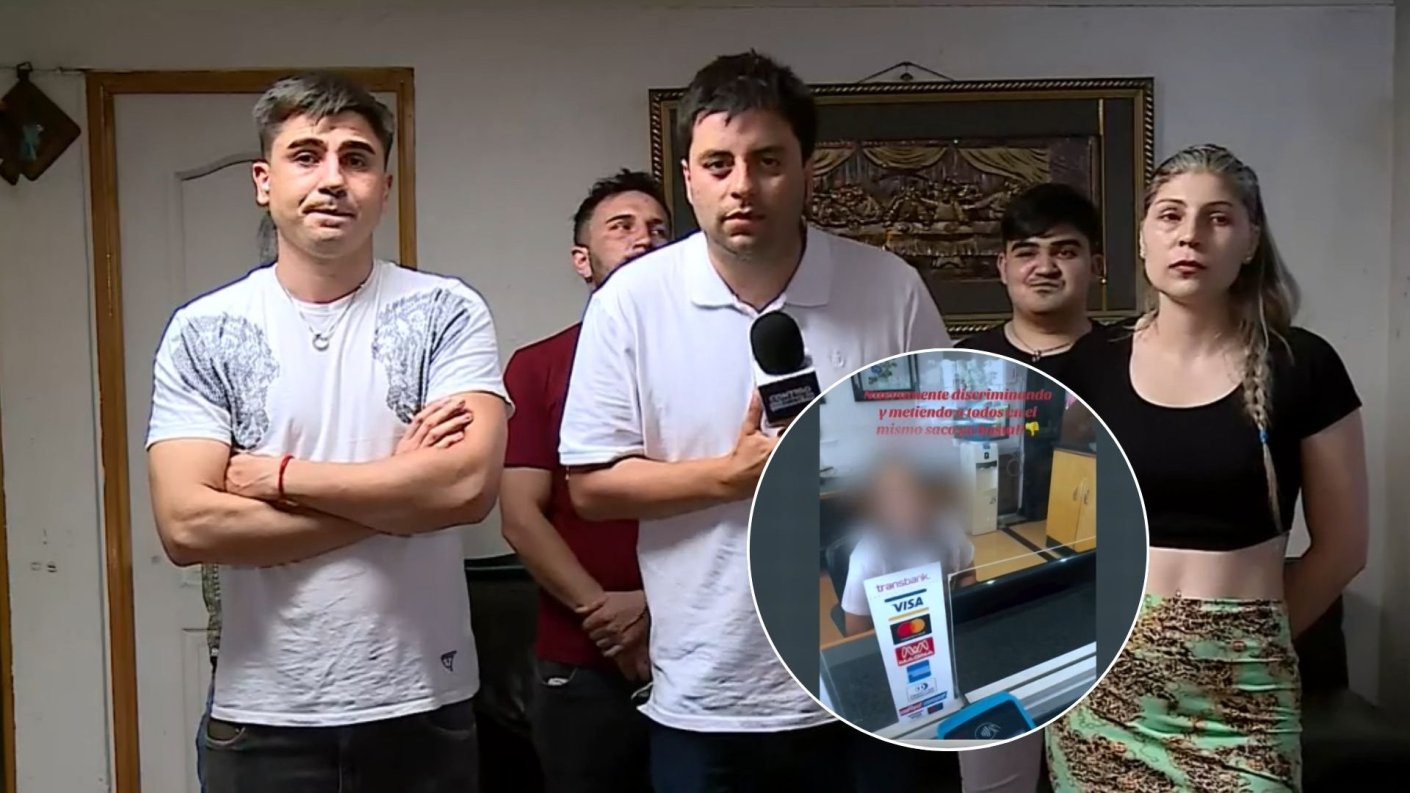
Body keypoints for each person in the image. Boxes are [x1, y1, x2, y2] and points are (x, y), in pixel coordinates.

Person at [557, 50, 954, 793]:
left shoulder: (890, 288)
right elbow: (591, 487)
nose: (742, 185)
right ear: (688, 178)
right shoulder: (631, 303)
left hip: (882, 685)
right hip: (712, 694)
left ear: (808, 170)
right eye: (718, 164)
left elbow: (954, 456)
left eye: (768, 160)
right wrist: (728, 477)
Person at [145, 71, 510, 793]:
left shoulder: (447, 313)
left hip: (422, 709)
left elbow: (468, 488)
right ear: (264, 181)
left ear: (385, 186)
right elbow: (186, 526)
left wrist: (282, 479)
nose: (333, 178)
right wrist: (400, 497)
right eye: (306, 156)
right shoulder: (204, 330)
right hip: (262, 719)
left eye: (357, 158)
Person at [1046, 144, 1368, 791]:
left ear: (1250, 240)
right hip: (1103, 696)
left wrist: (1244, 638)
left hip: (1245, 699)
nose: (1190, 234)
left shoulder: (1304, 365)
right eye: (1170, 215)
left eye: (1218, 218)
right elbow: (1061, 539)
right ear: (1143, 237)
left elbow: (1343, 550)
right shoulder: (1086, 367)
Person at [500, 168, 671, 793]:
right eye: (621, 227)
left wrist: (652, 608)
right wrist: (606, 615)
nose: (643, 239)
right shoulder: (538, 366)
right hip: (579, 659)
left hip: (699, 645)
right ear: (582, 259)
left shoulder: (716, 359)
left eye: (658, 230)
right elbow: (520, 515)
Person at [957, 181, 1115, 382]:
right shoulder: (964, 363)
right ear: (1003, 268)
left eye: (1065, 253)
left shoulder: (1129, 360)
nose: (1045, 268)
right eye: (1027, 254)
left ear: (1095, 267)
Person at [839, 451, 977, 636]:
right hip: (899, 638)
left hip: (948, 629)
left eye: (917, 494)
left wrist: (966, 611)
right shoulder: (868, 556)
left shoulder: (948, 529)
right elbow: (856, 631)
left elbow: (967, 573)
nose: (909, 505)